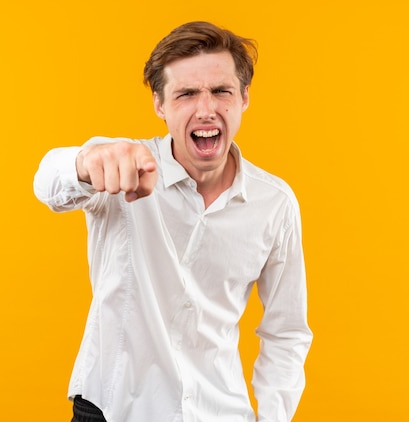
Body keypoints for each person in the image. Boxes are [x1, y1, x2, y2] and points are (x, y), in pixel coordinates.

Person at [34, 21, 312, 422]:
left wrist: (272, 418)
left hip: (219, 412)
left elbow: (287, 333)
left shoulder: (275, 203)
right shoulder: (121, 166)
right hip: (112, 408)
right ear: (159, 104)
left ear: (244, 97)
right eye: (186, 94)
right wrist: (83, 163)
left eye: (221, 91)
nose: (206, 109)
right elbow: (47, 182)